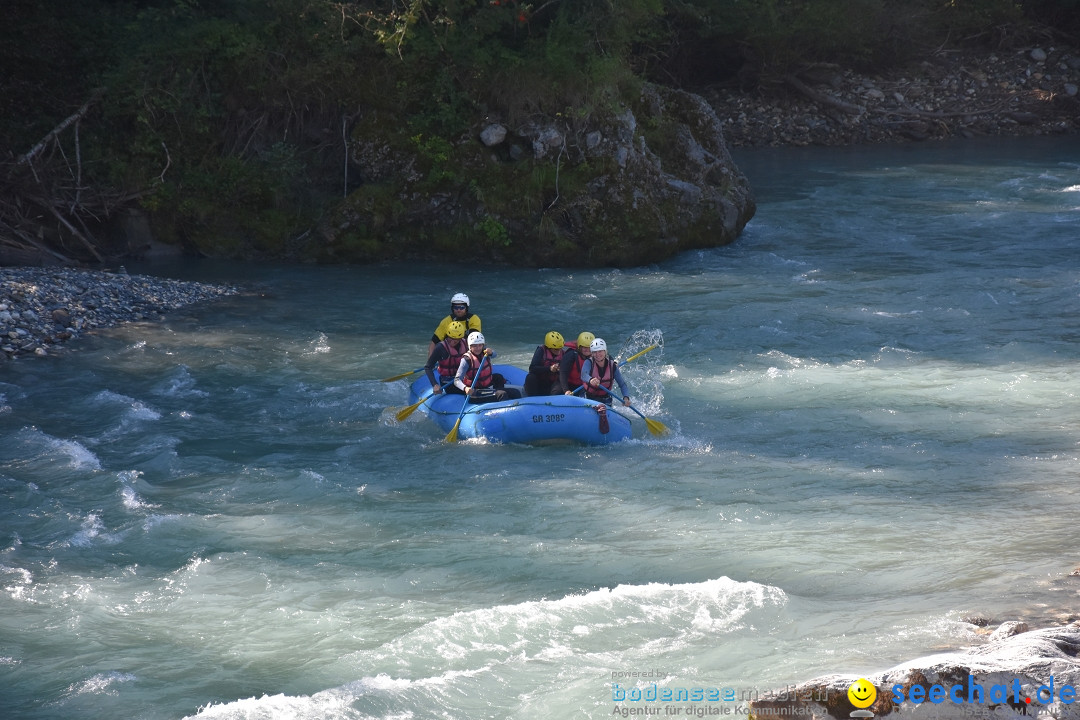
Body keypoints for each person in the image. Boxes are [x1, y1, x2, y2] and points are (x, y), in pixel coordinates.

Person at [452, 332, 520, 403]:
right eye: (474, 346)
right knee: (502, 394)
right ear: (470, 346)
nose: (478, 348)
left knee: (515, 392)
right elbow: (456, 380)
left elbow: (494, 355)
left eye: (480, 345)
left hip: (485, 387)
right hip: (474, 393)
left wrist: (491, 352)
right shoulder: (466, 360)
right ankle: (499, 401)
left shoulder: (485, 352)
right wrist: (465, 388)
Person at [581, 338, 632, 407]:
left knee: (603, 411)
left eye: (600, 351)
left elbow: (622, 384)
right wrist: (590, 380)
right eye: (594, 352)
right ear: (592, 354)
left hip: (605, 398)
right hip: (589, 397)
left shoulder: (612, 366)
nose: (597, 354)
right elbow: (583, 375)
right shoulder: (589, 362)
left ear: (605, 352)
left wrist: (626, 398)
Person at [423, 320, 467, 394]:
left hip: (462, 378)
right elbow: (428, 367)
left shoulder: (466, 343)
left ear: (461, 338)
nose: (452, 341)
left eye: (455, 339)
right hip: (447, 381)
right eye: (450, 338)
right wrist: (435, 384)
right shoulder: (440, 347)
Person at [524, 331, 565, 397]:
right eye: (556, 349)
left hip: (551, 386)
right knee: (530, 377)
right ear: (549, 347)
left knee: (561, 383)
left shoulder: (563, 354)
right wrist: (549, 368)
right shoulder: (541, 351)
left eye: (560, 349)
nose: (559, 351)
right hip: (539, 383)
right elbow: (532, 369)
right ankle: (532, 399)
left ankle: (552, 400)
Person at [555, 331, 594, 396]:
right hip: (567, 384)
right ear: (580, 347)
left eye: (589, 347)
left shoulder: (596, 355)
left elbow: (606, 356)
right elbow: (563, 373)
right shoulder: (571, 355)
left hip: (582, 386)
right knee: (556, 391)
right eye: (584, 347)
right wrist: (566, 390)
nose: (587, 349)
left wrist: (613, 362)